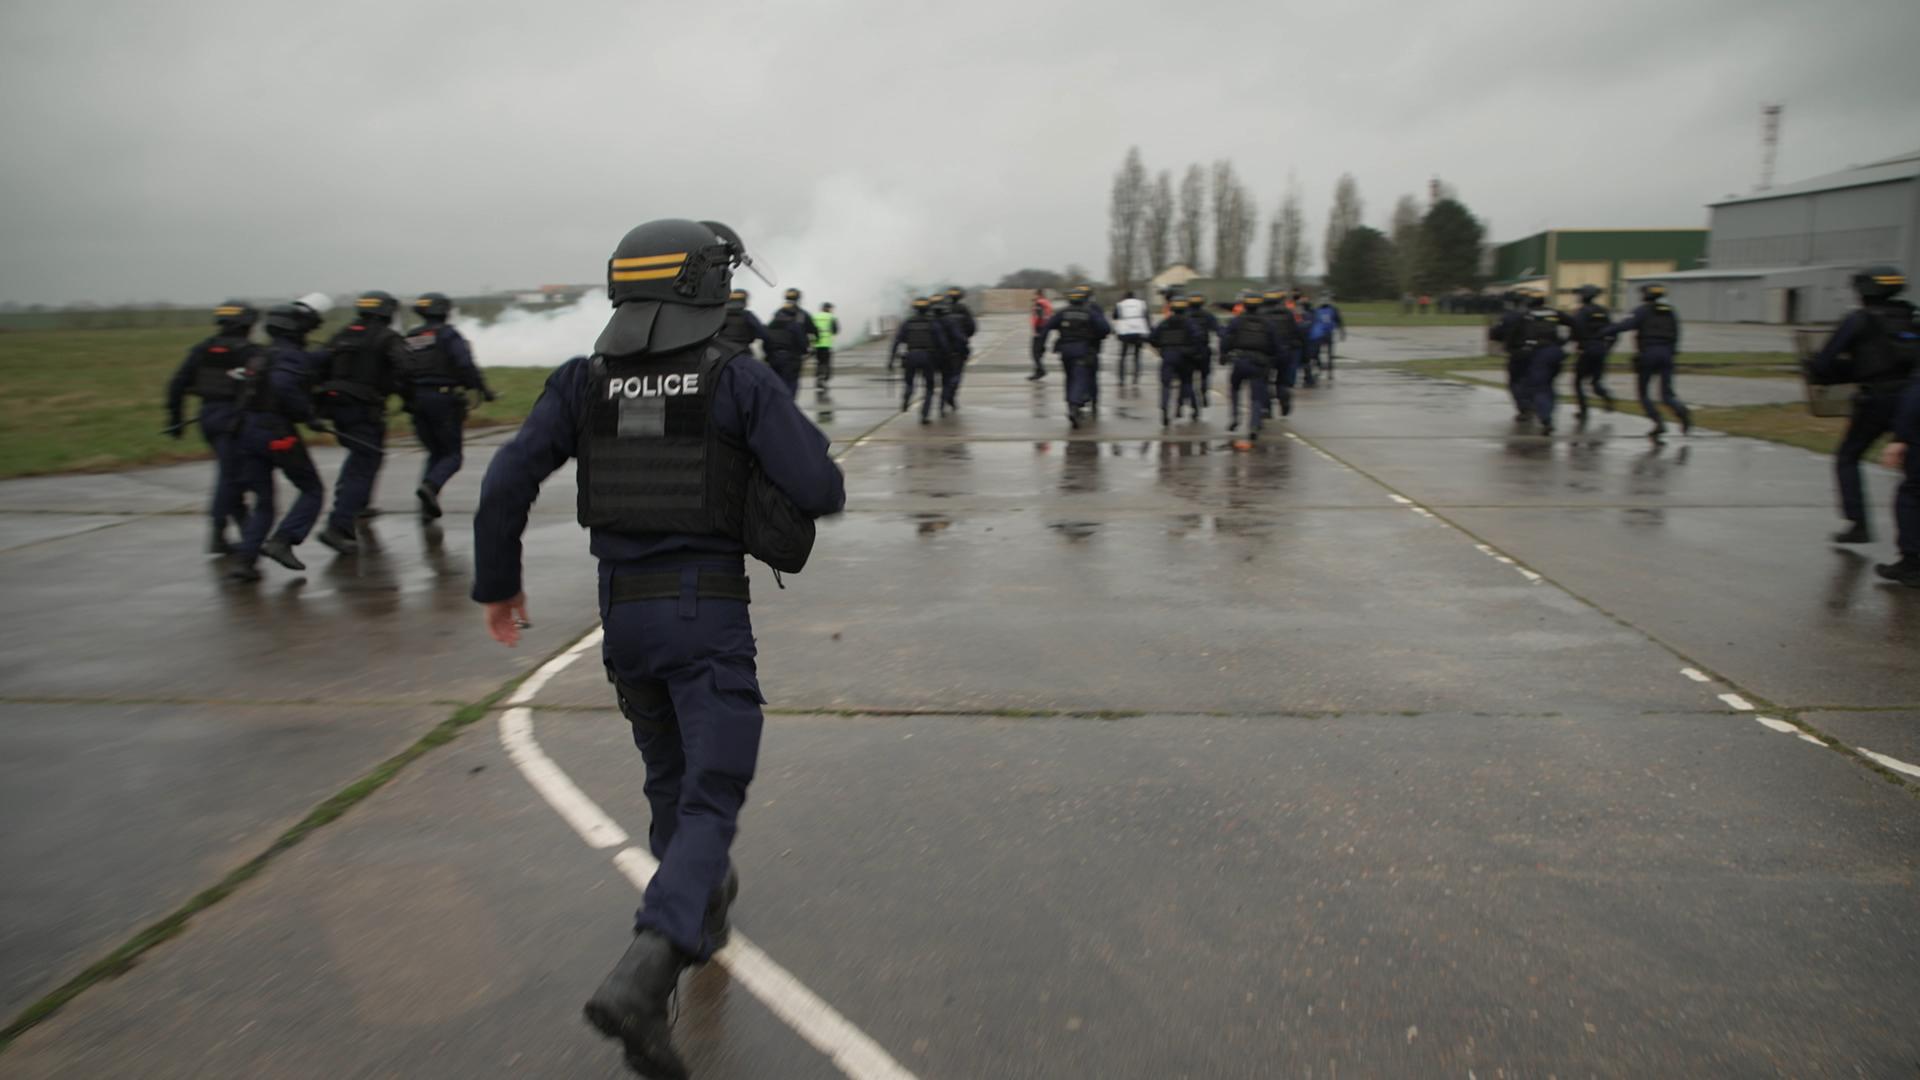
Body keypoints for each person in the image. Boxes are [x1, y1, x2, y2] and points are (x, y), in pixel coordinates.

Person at [472, 218, 846, 1079]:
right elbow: (819, 488)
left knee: (670, 781)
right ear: (706, 289)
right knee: (713, 796)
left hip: (622, 624)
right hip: (704, 618)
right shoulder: (735, 379)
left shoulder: (581, 381)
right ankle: (652, 963)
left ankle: (702, 910)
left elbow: (505, 480)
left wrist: (500, 584)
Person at [1809, 266, 1919, 544]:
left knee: (1848, 457)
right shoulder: (1912, 317)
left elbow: (1825, 362)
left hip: (1876, 399)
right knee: (1912, 474)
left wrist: (1836, 373)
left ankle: (1858, 523)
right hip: (1912, 401)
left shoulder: (1859, 319)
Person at [224, 301, 330, 581]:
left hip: (247, 431)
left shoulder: (260, 355)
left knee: (264, 500)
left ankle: (245, 562)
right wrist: (308, 415)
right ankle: (283, 540)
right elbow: (284, 387)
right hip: (276, 432)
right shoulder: (289, 356)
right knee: (312, 489)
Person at [313, 290, 410, 555]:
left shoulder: (342, 334)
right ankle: (338, 525)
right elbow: (405, 368)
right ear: (388, 312)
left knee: (360, 459)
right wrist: (406, 397)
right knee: (364, 462)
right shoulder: (387, 338)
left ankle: (358, 504)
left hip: (336, 408)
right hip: (364, 408)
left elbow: (317, 364)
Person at [165, 299, 262, 555]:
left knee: (233, 475)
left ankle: (247, 529)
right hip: (234, 419)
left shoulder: (203, 349)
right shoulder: (249, 352)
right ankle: (219, 534)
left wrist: (174, 419)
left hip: (208, 416)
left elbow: (177, 384)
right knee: (231, 479)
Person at [400, 292, 496, 520]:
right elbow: (465, 364)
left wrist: (409, 399)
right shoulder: (448, 335)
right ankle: (431, 487)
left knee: (435, 453)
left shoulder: (411, 336)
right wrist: (482, 389)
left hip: (417, 400)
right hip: (442, 400)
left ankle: (426, 509)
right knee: (452, 456)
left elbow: (401, 370)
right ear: (444, 311)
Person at [1609, 283, 1691, 440]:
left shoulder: (1643, 310)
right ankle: (1681, 412)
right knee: (1666, 393)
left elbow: (1626, 325)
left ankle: (1658, 422)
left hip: (1649, 354)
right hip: (1667, 355)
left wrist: (1604, 331)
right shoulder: (1670, 312)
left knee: (1644, 393)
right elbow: (1676, 334)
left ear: (1646, 295)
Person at [1038, 284, 1110, 428]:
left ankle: (1071, 404)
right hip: (1083, 350)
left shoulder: (1062, 312)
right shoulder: (1090, 313)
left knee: (1069, 378)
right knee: (1079, 378)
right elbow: (1105, 329)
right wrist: (1095, 337)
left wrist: (1041, 346)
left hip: (1065, 351)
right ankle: (1074, 406)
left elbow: (1046, 327)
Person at [1221, 291, 1283, 441]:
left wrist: (1224, 355)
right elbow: (1276, 344)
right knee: (1257, 396)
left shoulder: (1237, 321)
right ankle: (1254, 424)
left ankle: (1235, 417)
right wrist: (1274, 360)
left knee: (1235, 388)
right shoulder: (1267, 323)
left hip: (1240, 360)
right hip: (1259, 362)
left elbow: (1227, 338)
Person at [1514, 292, 1573, 435]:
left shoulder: (1526, 315)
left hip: (1539, 354)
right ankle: (1548, 414)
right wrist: (1565, 341)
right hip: (1556, 352)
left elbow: (1514, 336)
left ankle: (1546, 419)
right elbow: (1575, 324)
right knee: (1549, 386)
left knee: (1540, 388)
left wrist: (1516, 351)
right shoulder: (1554, 313)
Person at [890, 296, 954, 422]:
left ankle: (906, 398)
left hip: (911, 356)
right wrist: (947, 357)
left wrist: (891, 360)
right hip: (928, 357)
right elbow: (943, 343)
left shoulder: (907, 323)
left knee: (909, 383)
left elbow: (897, 341)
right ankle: (924, 415)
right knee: (929, 387)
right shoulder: (933, 323)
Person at [1567, 284, 1618, 424]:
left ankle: (1583, 410)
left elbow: (1575, 331)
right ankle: (1607, 398)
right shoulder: (1603, 311)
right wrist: (1608, 348)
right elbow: (1613, 331)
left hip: (1586, 350)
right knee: (1595, 381)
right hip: (1601, 349)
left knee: (1578, 382)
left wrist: (1574, 343)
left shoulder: (1581, 312)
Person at [1149, 295, 1200, 426]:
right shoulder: (1189, 323)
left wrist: (1162, 349)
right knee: (1187, 383)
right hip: (1184, 357)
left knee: (1166, 384)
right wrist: (1193, 352)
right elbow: (1197, 338)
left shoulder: (1165, 322)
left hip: (1168, 355)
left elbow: (1152, 337)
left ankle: (1165, 409)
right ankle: (1194, 408)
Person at [1488, 291, 1534, 422]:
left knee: (1515, 381)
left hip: (1517, 352)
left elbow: (1496, 334)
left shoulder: (1509, 316)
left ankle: (1524, 408)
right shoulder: (1530, 314)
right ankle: (1532, 403)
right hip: (1534, 352)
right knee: (1529, 380)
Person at [1262, 287, 1305, 417]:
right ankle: (1284, 398)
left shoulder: (1261, 314)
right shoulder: (1288, 313)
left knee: (1264, 381)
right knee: (1282, 381)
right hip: (1286, 351)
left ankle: (1267, 408)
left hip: (1267, 353)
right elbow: (1297, 332)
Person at [763, 291, 813, 395]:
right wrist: (806, 350)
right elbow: (808, 333)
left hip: (774, 356)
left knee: (777, 382)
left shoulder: (776, 316)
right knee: (791, 383)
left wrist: (768, 354)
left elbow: (766, 336)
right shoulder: (801, 316)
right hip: (793, 355)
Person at [939, 287, 976, 411]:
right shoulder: (964, 310)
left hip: (942, 348)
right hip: (958, 347)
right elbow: (972, 327)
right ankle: (950, 394)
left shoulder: (942, 309)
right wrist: (964, 336)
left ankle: (945, 396)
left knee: (945, 374)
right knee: (957, 373)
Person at [1186, 293, 1220, 405]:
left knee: (1188, 378)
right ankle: (1204, 393)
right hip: (1204, 349)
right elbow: (1218, 330)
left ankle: (1193, 403)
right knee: (1205, 375)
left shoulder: (1185, 315)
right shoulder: (1208, 315)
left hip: (1188, 351)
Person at [1111, 290, 1151, 385]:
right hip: (1139, 331)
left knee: (1123, 356)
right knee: (1137, 356)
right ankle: (1136, 378)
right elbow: (1147, 317)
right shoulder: (1142, 304)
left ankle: (1121, 379)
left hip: (1125, 332)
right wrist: (1148, 332)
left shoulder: (1120, 304)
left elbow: (1115, 316)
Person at [714, 289, 767, 358]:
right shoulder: (748, 315)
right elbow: (762, 334)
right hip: (741, 352)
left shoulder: (719, 315)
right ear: (744, 300)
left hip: (719, 353)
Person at [1310, 296, 1346, 380]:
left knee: (1321, 353)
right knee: (1325, 353)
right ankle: (1326, 371)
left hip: (1322, 334)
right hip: (1325, 334)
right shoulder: (1331, 310)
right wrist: (1342, 332)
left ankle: (1326, 371)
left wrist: (1342, 332)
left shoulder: (1319, 310)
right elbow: (1339, 321)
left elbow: (1339, 321)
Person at [810, 302, 839, 389]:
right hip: (826, 343)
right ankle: (822, 379)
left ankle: (819, 378)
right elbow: (835, 330)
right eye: (831, 309)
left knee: (819, 362)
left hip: (816, 343)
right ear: (828, 309)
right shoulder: (831, 317)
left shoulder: (814, 316)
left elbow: (810, 328)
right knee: (825, 362)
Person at [1028, 288, 1053, 380]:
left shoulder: (1039, 303)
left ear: (1038, 294)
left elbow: (1038, 317)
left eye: (1035, 295)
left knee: (1035, 352)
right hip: (1045, 328)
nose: (1033, 297)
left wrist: (1035, 330)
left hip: (1039, 328)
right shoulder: (1047, 302)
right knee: (1039, 351)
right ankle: (1038, 371)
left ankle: (1041, 370)